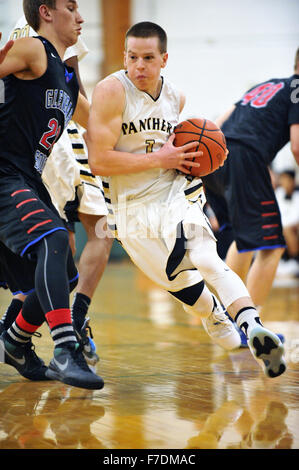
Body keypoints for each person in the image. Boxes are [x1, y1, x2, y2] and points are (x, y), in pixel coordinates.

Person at [86, 21, 286, 378]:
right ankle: (223, 326)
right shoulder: (110, 91)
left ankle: (254, 325)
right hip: (130, 208)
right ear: (125, 57)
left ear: (164, 59)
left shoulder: (176, 96)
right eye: (132, 57)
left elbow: (185, 150)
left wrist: (208, 158)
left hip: (174, 192)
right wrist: (158, 159)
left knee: (207, 256)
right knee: (189, 293)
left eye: (148, 58)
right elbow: (100, 161)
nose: (139, 67)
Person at [0, 0, 104, 390]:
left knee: (66, 273)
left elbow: (100, 124)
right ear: (46, 12)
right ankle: (66, 348)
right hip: (4, 173)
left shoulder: (65, 76)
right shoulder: (31, 48)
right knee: (56, 239)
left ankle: (14, 342)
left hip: (26, 178)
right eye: (71, 7)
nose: (80, 17)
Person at [202, 48, 299, 313]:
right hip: (245, 157)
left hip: (214, 155)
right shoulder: (297, 89)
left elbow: (219, 122)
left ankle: (229, 318)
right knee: (272, 246)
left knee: (244, 243)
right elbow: (298, 146)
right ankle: (249, 324)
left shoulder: (266, 85)